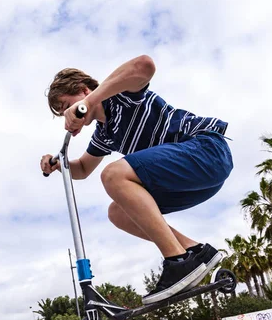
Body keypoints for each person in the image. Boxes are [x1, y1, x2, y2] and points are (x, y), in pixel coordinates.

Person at [41, 55, 233, 304]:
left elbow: (145, 65)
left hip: (206, 152)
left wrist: (88, 102)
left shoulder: (121, 97)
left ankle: (177, 260)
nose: (68, 115)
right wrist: (58, 164)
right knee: (117, 213)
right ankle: (195, 252)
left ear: (83, 90)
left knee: (113, 174)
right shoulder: (105, 133)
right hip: (193, 183)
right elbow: (83, 169)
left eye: (67, 105)